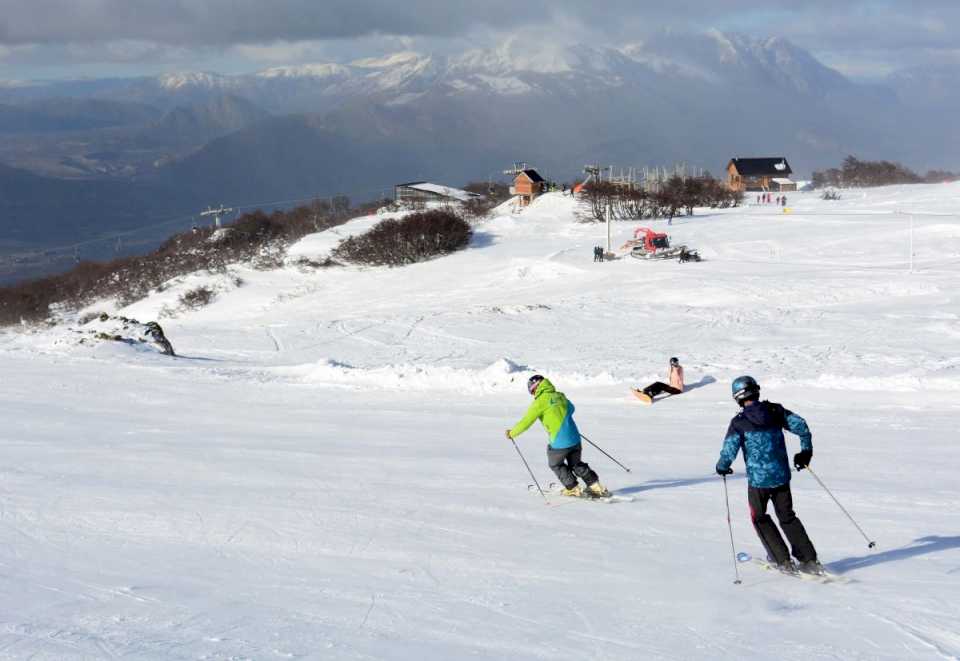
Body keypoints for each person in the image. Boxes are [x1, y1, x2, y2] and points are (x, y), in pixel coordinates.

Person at [715, 376, 822, 575]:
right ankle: (809, 560)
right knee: (787, 517)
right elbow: (802, 427)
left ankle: (781, 560)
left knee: (760, 517)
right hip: (781, 477)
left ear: (738, 398)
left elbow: (729, 450)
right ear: (756, 391)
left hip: (758, 482)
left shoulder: (739, 422)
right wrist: (806, 451)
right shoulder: (775, 411)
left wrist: (722, 466)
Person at [506, 375, 610, 498]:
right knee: (576, 464)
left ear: (536, 387)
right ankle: (595, 486)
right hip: (574, 437)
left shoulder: (539, 402)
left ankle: (573, 488)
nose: (532, 393)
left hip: (559, 441)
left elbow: (526, 422)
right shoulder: (560, 395)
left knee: (555, 464)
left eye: (532, 390)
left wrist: (512, 433)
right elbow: (571, 408)